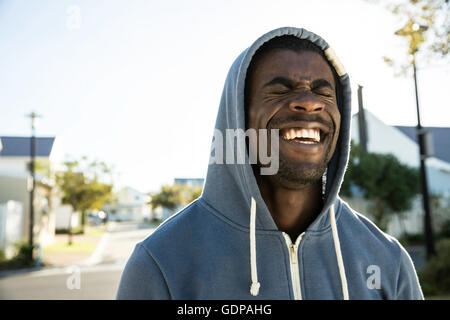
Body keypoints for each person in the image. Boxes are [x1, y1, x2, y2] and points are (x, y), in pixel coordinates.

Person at [116, 27, 423, 300]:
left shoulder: (387, 259)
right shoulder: (161, 263)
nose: (309, 101)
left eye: (323, 92)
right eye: (280, 89)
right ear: (238, 117)